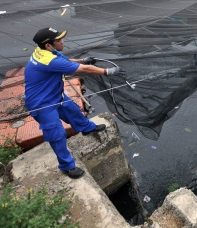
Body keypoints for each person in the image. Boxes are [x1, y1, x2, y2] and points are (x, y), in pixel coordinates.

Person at [24, 27, 125, 179]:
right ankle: (67, 167)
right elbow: (85, 70)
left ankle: (86, 128)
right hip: (42, 104)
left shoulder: (45, 52)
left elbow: (64, 60)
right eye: (59, 40)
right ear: (48, 45)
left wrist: (81, 60)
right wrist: (107, 71)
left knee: (73, 111)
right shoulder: (49, 61)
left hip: (55, 95)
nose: (62, 42)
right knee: (56, 134)